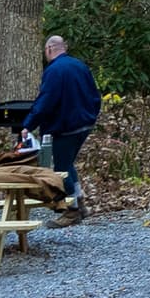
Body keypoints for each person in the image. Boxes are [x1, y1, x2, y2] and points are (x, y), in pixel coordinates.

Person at [24, 32, 101, 220]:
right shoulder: (80, 66)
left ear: (49, 49)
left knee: (62, 168)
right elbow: (95, 94)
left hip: (65, 127)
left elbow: (46, 101)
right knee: (67, 163)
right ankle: (79, 202)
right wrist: (91, 116)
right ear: (63, 48)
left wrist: (28, 125)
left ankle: (72, 210)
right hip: (84, 124)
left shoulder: (53, 71)